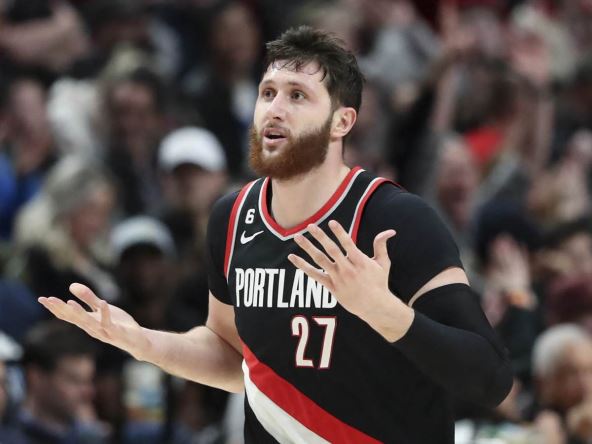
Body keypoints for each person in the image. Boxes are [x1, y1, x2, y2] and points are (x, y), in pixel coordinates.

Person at [39, 26, 513, 443]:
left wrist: (383, 312)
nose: (275, 109)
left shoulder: (395, 220)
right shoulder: (232, 217)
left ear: (342, 121)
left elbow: (490, 378)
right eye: (267, 93)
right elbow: (233, 358)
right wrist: (143, 343)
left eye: (297, 96)